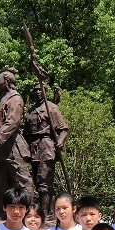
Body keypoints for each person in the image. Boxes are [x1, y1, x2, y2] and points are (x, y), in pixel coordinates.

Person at [0, 68, 32, 200]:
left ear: (6, 81)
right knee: (1, 181)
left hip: (12, 144)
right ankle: (5, 208)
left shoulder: (15, 99)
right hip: (1, 147)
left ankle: (28, 208)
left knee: (21, 179)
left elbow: (13, 121)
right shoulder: (4, 98)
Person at [24, 82, 68, 221]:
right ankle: (49, 211)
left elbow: (63, 129)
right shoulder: (30, 111)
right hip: (34, 147)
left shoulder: (52, 108)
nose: (38, 92)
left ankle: (44, 214)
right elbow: (26, 133)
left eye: (40, 90)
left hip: (47, 145)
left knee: (45, 180)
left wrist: (60, 141)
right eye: (35, 90)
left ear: (45, 91)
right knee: (38, 182)